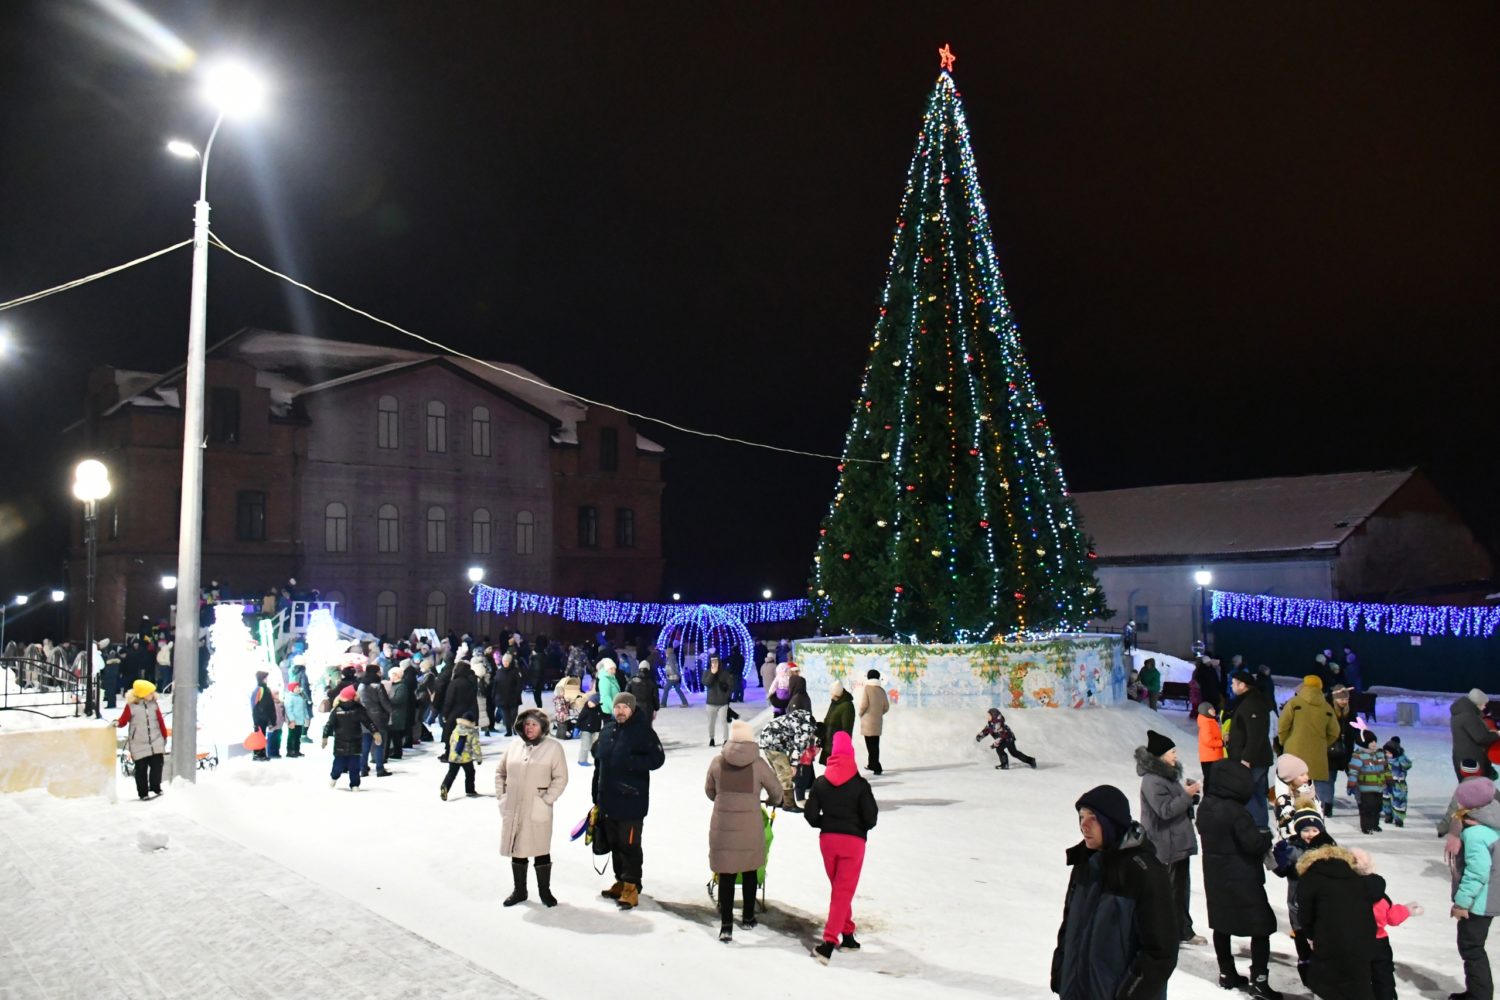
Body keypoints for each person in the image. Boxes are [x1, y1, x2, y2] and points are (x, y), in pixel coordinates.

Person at [1051, 784, 1179, 1000]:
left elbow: (1160, 952)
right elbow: (1069, 927)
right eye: (1081, 817)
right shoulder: (1085, 863)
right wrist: (1061, 973)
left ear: (1111, 822)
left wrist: (1129, 995)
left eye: (1093, 818)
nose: (1084, 825)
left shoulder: (1144, 871)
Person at [1196, 761, 1282, 998]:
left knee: (1221, 924)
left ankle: (1226, 973)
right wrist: (1266, 838)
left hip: (1215, 877)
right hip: (1242, 876)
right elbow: (1253, 844)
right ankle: (1259, 981)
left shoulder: (1205, 806)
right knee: (1261, 927)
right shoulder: (1236, 812)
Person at [706, 720, 783, 941]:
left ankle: (727, 925)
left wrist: (724, 800)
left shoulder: (717, 762)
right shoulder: (758, 764)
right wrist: (771, 800)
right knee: (749, 869)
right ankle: (748, 917)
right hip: (750, 826)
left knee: (726, 873)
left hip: (723, 826)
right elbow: (776, 791)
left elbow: (709, 791)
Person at [805, 730, 877, 964]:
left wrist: (824, 823)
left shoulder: (821, 783)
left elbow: (810, 814)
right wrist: (860, 828)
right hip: (853, 842)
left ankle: (848, 934)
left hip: (828, 841)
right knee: (842, 891)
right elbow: (871, 818)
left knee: (839, 889)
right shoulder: (860, 784)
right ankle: (828, 943)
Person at [592, 691, 665, 909]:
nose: (620, 711)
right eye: (617, 707)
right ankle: (621, 880)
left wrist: (631, 762)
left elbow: (657, 759)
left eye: (624, 707)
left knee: (629, 844)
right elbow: (599, 764)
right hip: (607, 800)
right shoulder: (606, 731)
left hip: (632, 800)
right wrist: (596, 795)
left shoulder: (643, 733)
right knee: (614, 843)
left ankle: (632, 886)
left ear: (632, 710)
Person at [1136, 730, 1204, 946]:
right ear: (1160, 755)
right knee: (1172, 891)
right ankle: (1173, 932)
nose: (1175, 755)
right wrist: (1186, 795)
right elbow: (1164, 810)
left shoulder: (1166, 775)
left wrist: (1188, 796)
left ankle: (1182, 930)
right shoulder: (1152, 781)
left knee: (1180, 889)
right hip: (1166, 844)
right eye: (1172, 752)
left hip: (1176, 842)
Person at [498, 707, 570, 907]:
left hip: (537, 806)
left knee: (540, 849)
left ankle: (544, 891)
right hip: (514, 806)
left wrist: (546, 799)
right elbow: (500, 772)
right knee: (517, 849)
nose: (529, 728)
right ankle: (519, 890)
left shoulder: (553, 748)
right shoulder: (514, 746)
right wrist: (502, 797)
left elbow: (561, 777)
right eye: (527, 724)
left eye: (534, 724)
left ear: (542, 727)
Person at [1297, 840, 1385, 1000]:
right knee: (1359, 984)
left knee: (1329, 984)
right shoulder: (1355, 877)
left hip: (1329, 941)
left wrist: (1310, 935)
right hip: (1363, 941)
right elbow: (1377, 885)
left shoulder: (1309, 878)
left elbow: (1304, 915)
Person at [1272, 802, 1336, 987]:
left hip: (1322, 909)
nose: (1310, 834)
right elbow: (1281, 871)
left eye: (1314, 830)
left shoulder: (1329, 848)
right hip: (1298, 907)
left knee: (1323, 946)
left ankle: (1325, 979)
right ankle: (1307, 976)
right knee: (1303, 945)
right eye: (1305, 830)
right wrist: (1280, 858)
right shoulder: (1292, 848)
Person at [1451, 784, 1500, 1000]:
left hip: (1479, 902)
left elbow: (1477, 872)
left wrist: (1461, 903)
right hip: (1490, 897)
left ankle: (1480, 995)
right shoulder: (1492, 822)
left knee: (1471, 947)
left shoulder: (1476, 833)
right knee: (1473, 947)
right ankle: (1477, 992)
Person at [1353, 850, 1420, 1000]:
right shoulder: (1381, 897)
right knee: (1383, 977)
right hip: (1379, 942)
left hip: (1354, 942)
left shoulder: (1344, 895)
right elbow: (1393, 918)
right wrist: (1407, 910)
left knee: (1357, 978)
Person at [1278, 675, 1341, 813]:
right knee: (1316, 790)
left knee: (1293, 787)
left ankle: (1294, 815)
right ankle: (1315, 814)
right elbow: (1335, 732)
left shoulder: (1294, 703)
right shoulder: (1327, 707)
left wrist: (1285, 741)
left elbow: (1282, 726)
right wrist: (1322, 744)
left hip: (1294, 752)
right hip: (1317, 755)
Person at [1227, 668, 1276, 830]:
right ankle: (1255, 826)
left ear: (1243, 685)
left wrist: (1246, 758)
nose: (1231, 686)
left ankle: (1257, 827)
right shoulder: (1247, 701)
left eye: (1234, 683)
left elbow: (1256, 735)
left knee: (1251, 794)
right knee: (1254, 793)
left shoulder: (1253, 703)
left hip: (1253, 760)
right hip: (1252, 758)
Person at [759, 701, 819, 810]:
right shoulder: (805, 729)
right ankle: (789, 804)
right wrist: (794, 765)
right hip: (773, 743)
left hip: (768, 739)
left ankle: (777, 799)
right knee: (786, 772)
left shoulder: (801, 719)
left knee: (779, 773)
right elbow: (798, 748)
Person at [117, 678, 168, 800]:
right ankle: (143, 792)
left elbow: (160, 721)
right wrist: (117, 723)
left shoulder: (154, 705)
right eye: (150, 692)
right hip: (138, 743)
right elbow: (123, 720)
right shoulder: (131, 706)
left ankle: (156, 787)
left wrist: (164, 736)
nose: (153, 694)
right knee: (141, 769)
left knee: (157, 765)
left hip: (155, 740)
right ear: (142, 693)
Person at [322, 687, 377, 790]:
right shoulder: (337, 710)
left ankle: (355, 784)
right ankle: (334, 777)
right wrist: (325, 736)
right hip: (340, 743)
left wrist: (375, 732)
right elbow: (329, 724)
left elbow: (368, 722)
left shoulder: (359, 710)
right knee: (338, 765)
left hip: (355, 742)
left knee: (354, 766)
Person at [1348, 729, 1391, 835]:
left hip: (1379, 786)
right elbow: (1353, 772)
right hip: (1365, 788)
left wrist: (1389, 779)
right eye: (1371, 742)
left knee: (1377, 807)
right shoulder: (1359, 756)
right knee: (1368, 807)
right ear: (1364, 743)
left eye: (1375, 741)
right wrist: (1352, 785)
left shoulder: (1379, 754)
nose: (1374, 744)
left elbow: (1386, 768)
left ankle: (1374, 824)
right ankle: (1366, 826)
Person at [1452, 689, 1499, 780]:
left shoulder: (1461, 713)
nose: (1485, 706)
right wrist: (1497, 734)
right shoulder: (1468, 716)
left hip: (1465, 756)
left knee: (1469, 787)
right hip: (1472, 760)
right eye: (1484, 704)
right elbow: (1481, 738)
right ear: (1478, 703)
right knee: (1476, 788)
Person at [358, 663, 394, 778]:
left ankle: (363, 769)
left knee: (365, 744)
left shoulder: (361, 685)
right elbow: (384, 702)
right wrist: (391, 711)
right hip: (378, 718)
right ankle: (379, 769)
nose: (380, 674)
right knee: (379, 743)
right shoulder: (378, 686)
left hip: (364, 717)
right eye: (379, 672)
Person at [441, 714, 484, 800]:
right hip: (466, 758)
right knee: (470, 773)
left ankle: (445, 786)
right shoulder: (472, 732)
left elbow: (451, 741)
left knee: (451, 774)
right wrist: (479, 758)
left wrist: (452, 752)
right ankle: (470, 790)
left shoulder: (456, 729)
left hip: (454, 756)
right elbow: (476, 746)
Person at [857, 670, 889, 775]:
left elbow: (864, 704)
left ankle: (877, 767)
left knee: (870, 745)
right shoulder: (881, 690)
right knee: (875, 744)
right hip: (877, 721)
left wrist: (860, 713)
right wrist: (878, 713)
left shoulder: (867, 688)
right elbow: (886, 707)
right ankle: (872, 764)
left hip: (867, 721)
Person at [819, 680, 856, 765]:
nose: (830, 695)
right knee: (830, 766)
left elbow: (847, 729)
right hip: (829, 741)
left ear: (836, 693)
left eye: (832, 693)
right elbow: (828, 718)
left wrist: (842, 745)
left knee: (836, 766)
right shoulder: (835, 702)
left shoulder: (847, 706)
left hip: (837, 744)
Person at [1380, 737, 1411, 829]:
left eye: (1389, 753)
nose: (1387, 754)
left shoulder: (1400, 760)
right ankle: (1388, 814)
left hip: (1398, 784)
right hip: (1386, 783)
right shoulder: (1383, 760)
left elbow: (1408, 765)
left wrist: (1401, 756)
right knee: (1385, 799)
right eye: (1386, 752)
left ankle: (1399, 818)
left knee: (1399, 801)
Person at [704, 655, 732, 746]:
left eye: (716, 662)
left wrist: (726, 697)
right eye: (713, 662)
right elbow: (706, 683)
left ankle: (726, 740)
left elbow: (730, 686)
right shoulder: (707, 672)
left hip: (722, 703)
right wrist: (712, 674)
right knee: (711, 723)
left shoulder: (724, 673)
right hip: (711, 703)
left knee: (723, 721)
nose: (715, 664)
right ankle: (711, 739)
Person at [1197, 702, 1225, 789]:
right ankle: (1208, 798)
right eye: (1211, 709)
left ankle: (1211, 798)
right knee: (1210, 780)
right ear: (1206, 711)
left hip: (1213, 756)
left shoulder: (1210, 721)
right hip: (1210, 757)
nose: (1214, 710)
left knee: (1213, 779)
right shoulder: (1206, 723)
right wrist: (1221, 743)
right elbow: (1208, 740)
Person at [251, 670, 276, 761]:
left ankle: (262, 753)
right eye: (265, 678)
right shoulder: (259, 689)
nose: (267, 680)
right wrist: (256, 720)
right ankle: (257, 754)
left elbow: (270, 705)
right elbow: (254, 705)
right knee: (259, 736)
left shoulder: (266, 689)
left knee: (262, 735)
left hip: (265, 717)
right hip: (259, 718)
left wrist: (271, 719)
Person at [575, 691, 604, 765]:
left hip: (596, 730)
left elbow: (604, 716)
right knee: (585, 746)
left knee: (596, 745)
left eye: (593, 702)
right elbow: (580, 719)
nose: (590, 703)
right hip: (586, 730)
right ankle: (582, 760)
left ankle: (598, 759)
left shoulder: (599, 709)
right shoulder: (585, 709)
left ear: (597, 703)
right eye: (590, 701)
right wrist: (577, 728)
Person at [284, 681, 310, 758]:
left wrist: (306, 717)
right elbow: (288, 710)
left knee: (298, 736)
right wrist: (292, 720)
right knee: (292, 736)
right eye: (296, 687)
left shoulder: (300, 697)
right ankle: (290, 751)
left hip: (300, 721)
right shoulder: (289, 697)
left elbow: (304, 708)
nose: (298, 688)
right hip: (293, 721)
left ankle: (296, 750)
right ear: (292, 689)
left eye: (298, 687)